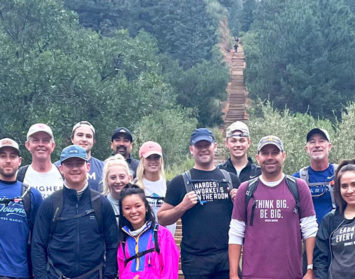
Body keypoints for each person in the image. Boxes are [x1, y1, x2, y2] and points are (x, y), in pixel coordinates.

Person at [229, 135, 318, 279]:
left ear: (283, 156)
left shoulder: (298, 187)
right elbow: (236, 233)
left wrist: (310, 269)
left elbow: (310, 230)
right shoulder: (245, 189)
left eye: (275, 152)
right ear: (258, 158)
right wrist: (233, 274)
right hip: (253, 274)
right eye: (265, 153)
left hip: (291, 274)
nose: (270, 157)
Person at [158, 128, 240, 279]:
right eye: (198, 146)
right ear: (191, 149)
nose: (203, 150)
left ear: (214, 146)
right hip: (195, 259)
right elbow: (162, 218)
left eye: (206, 145)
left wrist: (238, 203)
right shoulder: (179, 182)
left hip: (226, 256)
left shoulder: (231, 179)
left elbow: (244, 219)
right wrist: (182, 206)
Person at [31, 145, 118, 279]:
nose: (75, 168)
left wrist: (108, 276)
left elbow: (112, 244)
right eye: (69, 164)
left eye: (79, 163)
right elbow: (38, 244)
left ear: (87, 167)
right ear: (61, 169)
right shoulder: (50, 204)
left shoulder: (101, 203)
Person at [0, 138, 42, 279]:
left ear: (20, 161)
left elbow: (40, 239)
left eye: (12, 156)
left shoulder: (31, 195)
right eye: (2, 156)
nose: (8, 160)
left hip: (20, 273)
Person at [117, 184, 179, 279]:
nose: (133, 211)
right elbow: (122, 272)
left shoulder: (162, 235)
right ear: (123, 213)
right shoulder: (123, 240)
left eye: (138, 206)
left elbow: (170, 272)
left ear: (146, 207)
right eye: (127, 208)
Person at [314, 159, 355, 279]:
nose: (350, 190)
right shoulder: (330, 220)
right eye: (344, 186)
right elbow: (320, 260)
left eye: (354, 184)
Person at [293, 128, 336, 224]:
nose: (317, 145)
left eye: (321, 141)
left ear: (329, 147)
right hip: (309, 236)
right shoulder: (297, 179)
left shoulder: (341, 174)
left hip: (337, 235)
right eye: (312, 142)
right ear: (307, 149)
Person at [135, 141, 176, 235]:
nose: (153, 161)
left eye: (156, 157)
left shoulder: (170, 186)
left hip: (166, 240)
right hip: (144, 240)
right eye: (149, 158)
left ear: (161, 160)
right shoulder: (136, 187)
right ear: (142, 160)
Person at [17, 123, 63, 198]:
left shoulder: (63, 174)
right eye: (35, 140)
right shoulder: (20, 175)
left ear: (52, 146)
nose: (41, 144)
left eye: (45, 140)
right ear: (28, 145)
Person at [55, 121, 104, 192]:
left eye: (88, 136)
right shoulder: (56, 168)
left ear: (93, 141)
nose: (84, 139)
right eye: (80, 135)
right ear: (72, 139)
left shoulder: (103, 167)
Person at [102, 154, 132, 223]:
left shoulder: (137, 203)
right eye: (113, 177)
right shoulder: (101, 205)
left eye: (122, 177)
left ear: (129, 178)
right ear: (106, 180)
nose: (118, 181)